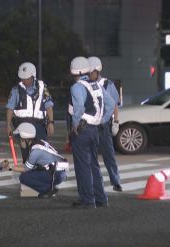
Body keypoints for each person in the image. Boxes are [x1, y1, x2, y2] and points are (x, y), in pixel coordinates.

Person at [68, 56, 115, 209]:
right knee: (94, 164)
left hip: (82, 129)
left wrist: (75, 124)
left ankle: (87, 200)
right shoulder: (96, 85)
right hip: (95, 130)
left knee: (82, 166)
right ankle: (101, 198)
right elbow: (110, 104)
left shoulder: (77, 87)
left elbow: (79, 107)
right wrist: (102, 120)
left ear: (74, 71)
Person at [6, 62, 55, 162]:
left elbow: (49, 105)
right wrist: (8, 125)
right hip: (23, 127)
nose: (23, 80)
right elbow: (10, 108)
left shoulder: (42, 87)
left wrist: (51, 122)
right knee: (27, 157)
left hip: (39, 127)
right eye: (22, 78)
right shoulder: (16, 89)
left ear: (33, 76)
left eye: (26, 78)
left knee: (40, 155)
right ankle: (28, 174)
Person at [88, 56, 123, 192]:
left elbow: (114, 104)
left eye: (91, 72)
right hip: (90, 125)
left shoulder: (108, 84)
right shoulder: (86, 85)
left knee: (109, 155)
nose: (89, 75)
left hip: (104, 126)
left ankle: (116, 181)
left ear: (98, 70)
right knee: (91, 156)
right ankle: (94, 183)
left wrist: (116, 122)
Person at [10, 122, 68, 198]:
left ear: (24, 138)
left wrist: (10, 167)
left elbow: (26, 169)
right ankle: (49, 186)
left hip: (56, 174)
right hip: (59, 172)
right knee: (32, 171)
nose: (19, 140)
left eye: (19, 138)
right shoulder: (39, 143)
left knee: (23, 177)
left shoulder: (35, 151)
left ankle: (47, 189)